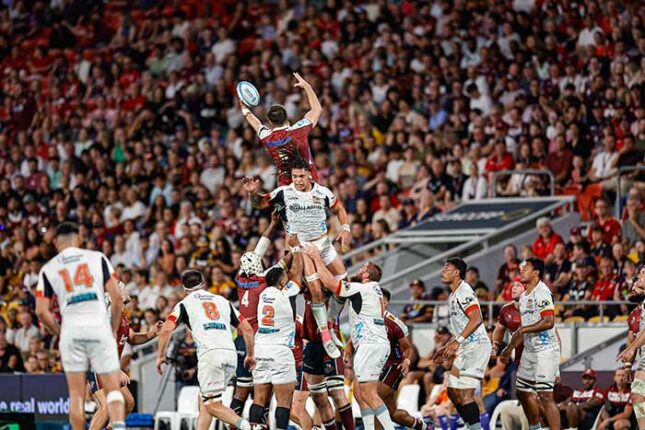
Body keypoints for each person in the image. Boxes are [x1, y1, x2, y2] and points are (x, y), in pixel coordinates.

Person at [242, 157, 350, 358]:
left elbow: (339, 209)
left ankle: (329, 324)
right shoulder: (284, 192)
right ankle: (326, 337)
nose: (298, 180)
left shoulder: (322, 192)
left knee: (344, 286)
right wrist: (252, 193)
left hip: (323, 244)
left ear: (309, 174)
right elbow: (260, 203)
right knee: (316, 289)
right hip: (301, 246)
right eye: (294, 176)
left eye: (301, 176)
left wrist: (345, 228)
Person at [34, 222, 126, 430]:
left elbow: (41, 311)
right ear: (79, 239)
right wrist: (112, 329)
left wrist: (60, 332)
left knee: (76, 395)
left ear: (55, 242)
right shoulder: (98, 258)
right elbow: (117, 298)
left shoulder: (48, 268)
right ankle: (119, 426)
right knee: (112, 389)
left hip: (72, 331)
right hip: (98, 327)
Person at [303, 245, 395, 430]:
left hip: (370, 344)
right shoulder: (373, 290)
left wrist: (316, 257)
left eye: (362, 268)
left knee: (369, 394)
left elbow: (331, 284)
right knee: (362, 394)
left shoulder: (362, 288)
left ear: (366, 275)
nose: (359, 269)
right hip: (376, 343)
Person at [155, 269, 260, 430]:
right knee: (205, 399)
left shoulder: (185, 304)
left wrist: (160, 356)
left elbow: (166, 329)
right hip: (230, 354)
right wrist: (250, 354)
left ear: (184, 289)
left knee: (211, 404)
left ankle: (247, 427)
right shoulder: (222, 301)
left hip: (210, 355)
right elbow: (247, 329)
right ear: (203, 284)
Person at [88, 281, 163, 430]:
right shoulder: (108, 314)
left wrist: (152, 334)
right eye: (124, 288)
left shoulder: (121, 314)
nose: (128, 291)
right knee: (106, 406)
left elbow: (132, 338)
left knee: (128, 403)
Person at [349, 288, 427, 430]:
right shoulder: (365, 317)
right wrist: (348, 349)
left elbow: (407, 348)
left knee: (372, 399)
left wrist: (407, 361)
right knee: (393, 414)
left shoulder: (394, 323)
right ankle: (424, 426)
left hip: (392, 366)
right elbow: (356, 334)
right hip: (373, 365)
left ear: (384, 302)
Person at [228, 212, 280, 421]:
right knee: (262, 393)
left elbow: (258, 249)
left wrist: (272, 223)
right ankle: (258, 425)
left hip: (241, 339)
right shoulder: (263, 282)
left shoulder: (240, 279)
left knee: (241, 391)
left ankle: (233, 424)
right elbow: (281, 261)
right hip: (258, 341)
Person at [249, 234, 303, 430]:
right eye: (285, 279)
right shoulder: (285, 294)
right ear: (281, 283)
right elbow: (298, 274)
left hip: (260, 349)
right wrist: (296, 249)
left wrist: (286, 257)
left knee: (259, 398)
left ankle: (254, 428)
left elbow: (282, 273)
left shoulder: (262, 293)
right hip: (280, 351)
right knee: (284, 401)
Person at [500, 257, 561, 430]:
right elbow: (523, 328)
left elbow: (548, 321)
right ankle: (535, 428)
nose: (522, 270)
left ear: (536, 273)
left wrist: (523, 331)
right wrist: (509, 348)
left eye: (526, 268)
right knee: (521, 392)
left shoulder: (542, 292)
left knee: (545, 396)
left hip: (546, 349)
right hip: (530, 350)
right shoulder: (524, 297)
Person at [433, 257, 492, 430]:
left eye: (447, 268)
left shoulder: (464, 291)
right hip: (467, 347)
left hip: (477, 346)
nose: (443, 271)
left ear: (457, 273)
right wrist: (447, 345)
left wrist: (457, 342)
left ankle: (475, 428)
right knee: (452, 391)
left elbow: (476, 319)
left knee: (466, 395)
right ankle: (470, 426)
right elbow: (461, 327)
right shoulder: (453, 295)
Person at [240, 72, 321, 186]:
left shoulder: (267, 137)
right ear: (287, 117)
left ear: (270, 122)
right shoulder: (298, 131)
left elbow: (255, 122)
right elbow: (317, 109)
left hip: (286, 189)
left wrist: (244, 108)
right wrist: (307, 87)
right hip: (308, 184)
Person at [618, 267, 645, 429]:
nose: (633, 286)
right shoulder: (635, 313)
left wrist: (632, 348)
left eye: (642, 275)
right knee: (637, 394)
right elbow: (631, 340)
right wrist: (628, 365)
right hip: (643, 357)